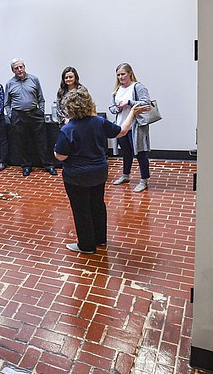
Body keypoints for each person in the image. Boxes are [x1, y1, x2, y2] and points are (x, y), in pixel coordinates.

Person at [54, 88, 149, 254]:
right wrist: (132, 113)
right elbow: (122, 131)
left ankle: (87, 246)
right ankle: (100, 239)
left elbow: (60, 156)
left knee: (81, 209)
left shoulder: (68, 129)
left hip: (77, 176)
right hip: (99, 173)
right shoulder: (99, 122)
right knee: (97, 204)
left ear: (69, 108)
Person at [5, 58, 57, 176]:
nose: (19, 70)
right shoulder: (9, 83)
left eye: (21, 67)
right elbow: (7, 103)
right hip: (18, 116)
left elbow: (41, 98)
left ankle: (48, 165)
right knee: (23, 142)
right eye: (16, 68)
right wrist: (11, 115)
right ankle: (26, 166)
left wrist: (41, 112)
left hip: (35, 114)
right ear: (12, 70)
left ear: (24, 67)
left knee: (42, 141)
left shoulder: (34, 79)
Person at [108, 63, 152, 192]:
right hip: (121, 126)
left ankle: (144, 180)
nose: (121, 77)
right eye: (118, 75)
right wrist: (117, 108)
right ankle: (125, 175)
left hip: (136, 126)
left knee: (140, 153)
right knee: (126, 152)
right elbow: (112, 107)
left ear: (130, 73)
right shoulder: (117, 90)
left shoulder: (137, 87)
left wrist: (129, 102)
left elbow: (146, 103)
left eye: (123, 74)